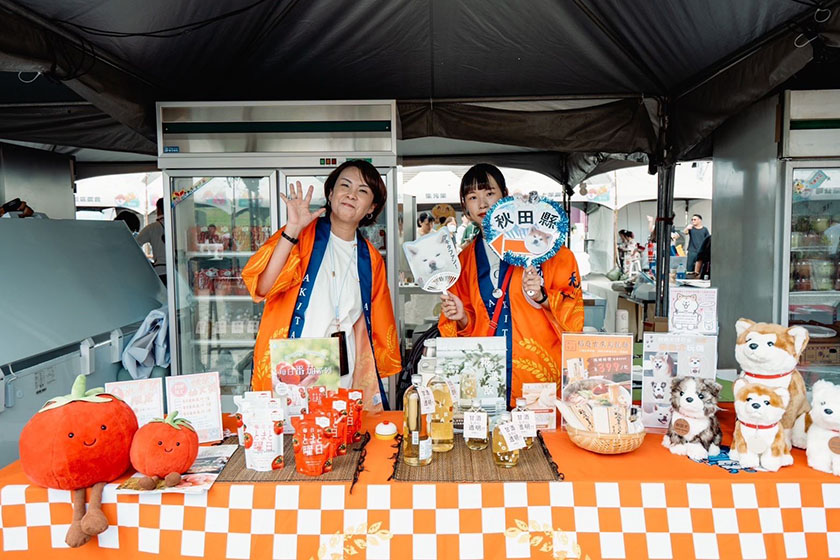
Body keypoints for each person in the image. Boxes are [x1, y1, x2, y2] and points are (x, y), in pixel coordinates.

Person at [242, 160, 400, 410]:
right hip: (291, 370)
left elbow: (375, 325)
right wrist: (292, 229)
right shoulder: (300, 236)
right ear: (330, 193)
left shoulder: (370, 259)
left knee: (335, 439)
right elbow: (262, 287)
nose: (351, 194)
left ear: (372, 207)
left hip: (340, 372)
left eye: (362, 191)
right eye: (344, 185)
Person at [438, 163, 584, 407]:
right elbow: (464, 328)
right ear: (465, 207)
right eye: (473, 197)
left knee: (540, 441)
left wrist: (543, 297)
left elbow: (574, 310)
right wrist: (462, 317)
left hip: (536, 372)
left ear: (505, 196)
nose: (482, 203)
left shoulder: (549, 250)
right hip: (485, 374)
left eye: (489, 193)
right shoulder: (462, 262)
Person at [136, 198, 167, 285]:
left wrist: (147, 263)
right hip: (178, 271)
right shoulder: (178, 224)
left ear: (159, 210)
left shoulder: (152, 228)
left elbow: (134, 246)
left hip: (160, 271)